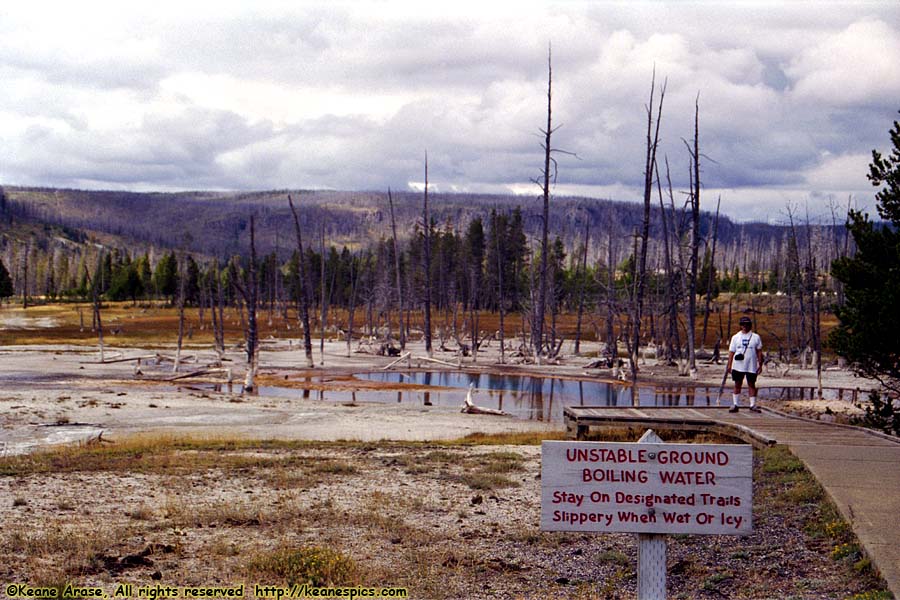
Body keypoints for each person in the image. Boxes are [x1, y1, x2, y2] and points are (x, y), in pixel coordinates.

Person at [726, 316, 764, 413]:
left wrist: (760, 364)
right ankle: (735, 404)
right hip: (738, 365)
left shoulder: (756, 337)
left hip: (751, 365)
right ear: (740, 325)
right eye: (743, 324)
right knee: (737, 384)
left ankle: (752, 405)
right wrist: (729, 365)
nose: (745, 326)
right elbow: (731, 352)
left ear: (750, 325)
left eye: (747, 324)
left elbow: (759, 351)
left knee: (751, 384)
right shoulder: (735, 337)